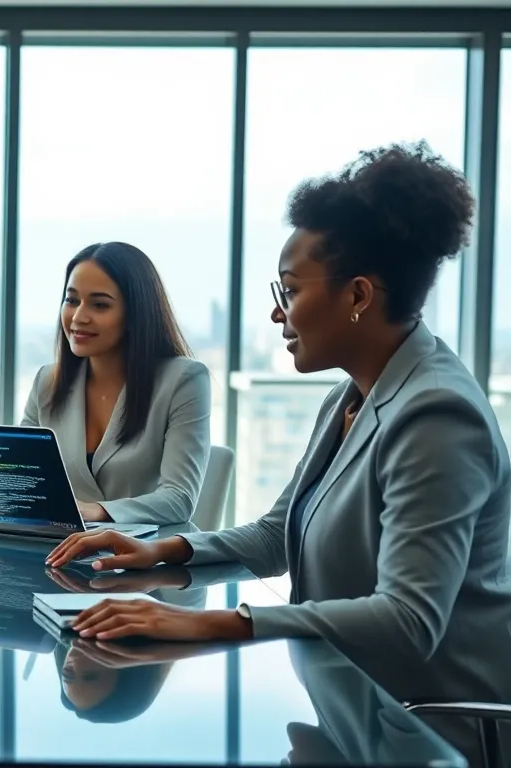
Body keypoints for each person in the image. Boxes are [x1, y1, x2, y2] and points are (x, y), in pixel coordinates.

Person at [44, 142, 511, 712]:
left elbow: (409, 619)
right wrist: (162, 550)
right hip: (351, 695)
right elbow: (274, 536)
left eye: (288, 291)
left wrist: (211, 624)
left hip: (433, 723)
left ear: (358, 295)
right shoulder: (353, 394)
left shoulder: (437, 415)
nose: (276, 313)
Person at [21, 242, 211, 525]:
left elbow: (179, 498)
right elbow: (24, 477)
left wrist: (98, 511)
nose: (78, 317)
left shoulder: (183, 381)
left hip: (148, 557)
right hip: (61, 554)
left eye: (99, 305)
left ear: (136, 314)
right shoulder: (47, 382)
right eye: (71, 300)